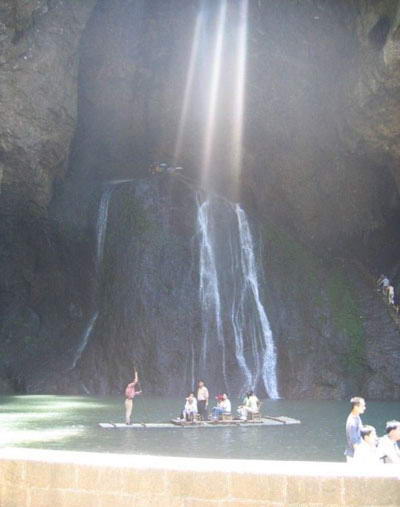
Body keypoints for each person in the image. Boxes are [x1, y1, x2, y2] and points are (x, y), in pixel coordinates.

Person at [344, 396, 366, 462]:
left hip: (357, 452)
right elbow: (354, 441)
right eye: (363, 406)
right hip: (353, 455)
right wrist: (359, 456)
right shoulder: (352, 422)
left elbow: (361, 431)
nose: (364, 408)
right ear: (356, 407)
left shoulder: (356, 416)